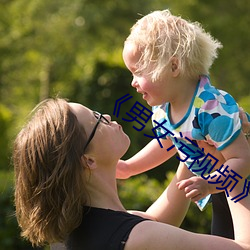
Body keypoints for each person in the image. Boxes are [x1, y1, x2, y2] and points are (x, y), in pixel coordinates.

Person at [13, 98, 250, 250]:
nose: (106, 116)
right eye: (97, 120)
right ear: (88, 160)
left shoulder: (73, 234)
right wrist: (235, 161)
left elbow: (157, 221)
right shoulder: (138, 238)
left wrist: (191, 140)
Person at [118, 9, 250, 239]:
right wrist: (130, 167)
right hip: (220, 188)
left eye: (138, 72)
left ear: (173, 67)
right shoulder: (163, 109)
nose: (133, 83)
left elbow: (243, 159)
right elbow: (167, 143)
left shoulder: (210, 108)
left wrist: (209, 184)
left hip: (239, 184)